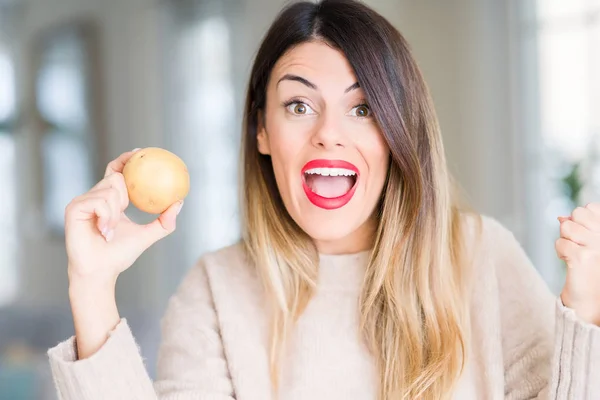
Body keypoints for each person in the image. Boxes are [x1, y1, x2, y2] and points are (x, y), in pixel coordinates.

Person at [47, 0, 600, 399]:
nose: (329, 134)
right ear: (261, 130)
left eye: (362, 108)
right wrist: (92, 290)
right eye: (298, 106)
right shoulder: (215, 292)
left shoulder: (481, 256)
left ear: (397, 132)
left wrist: (590, 311)